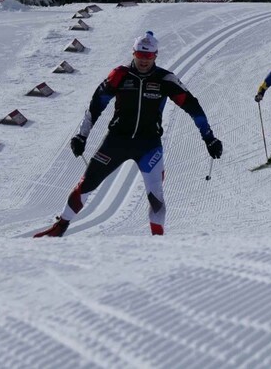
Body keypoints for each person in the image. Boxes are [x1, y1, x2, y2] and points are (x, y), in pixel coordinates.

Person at [34, 31, 223, 237]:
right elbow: (96, 105)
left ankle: (158, 241)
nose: (143, 61)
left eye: (148, 57)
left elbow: (193, 107)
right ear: (133, 53)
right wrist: (82, 136)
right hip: (116, 142)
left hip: (149, 145)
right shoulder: (120, 75)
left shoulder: (165, 79)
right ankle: (59, 228)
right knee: (86, 183)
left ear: (155, 56)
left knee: (156, 196)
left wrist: (209, 138)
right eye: (140, 56)